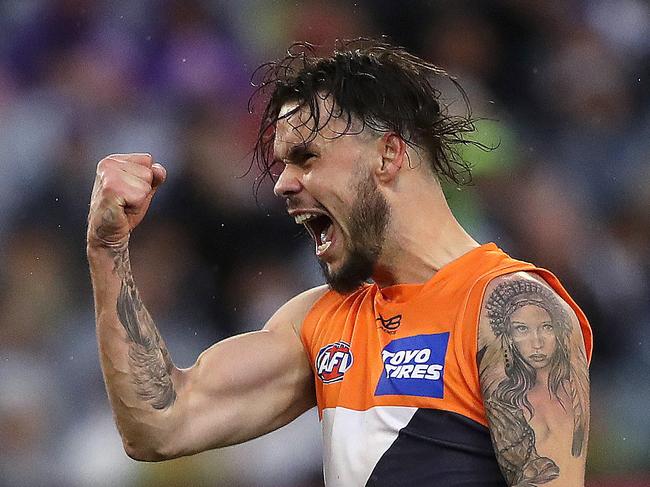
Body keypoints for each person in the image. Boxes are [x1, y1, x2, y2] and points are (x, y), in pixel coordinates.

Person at [87, 39, 592, 486]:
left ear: (388, 156)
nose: (283, 184)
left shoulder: (511, 310)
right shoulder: (319, 321)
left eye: (306, 158)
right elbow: (160, 425)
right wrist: (107, 249)